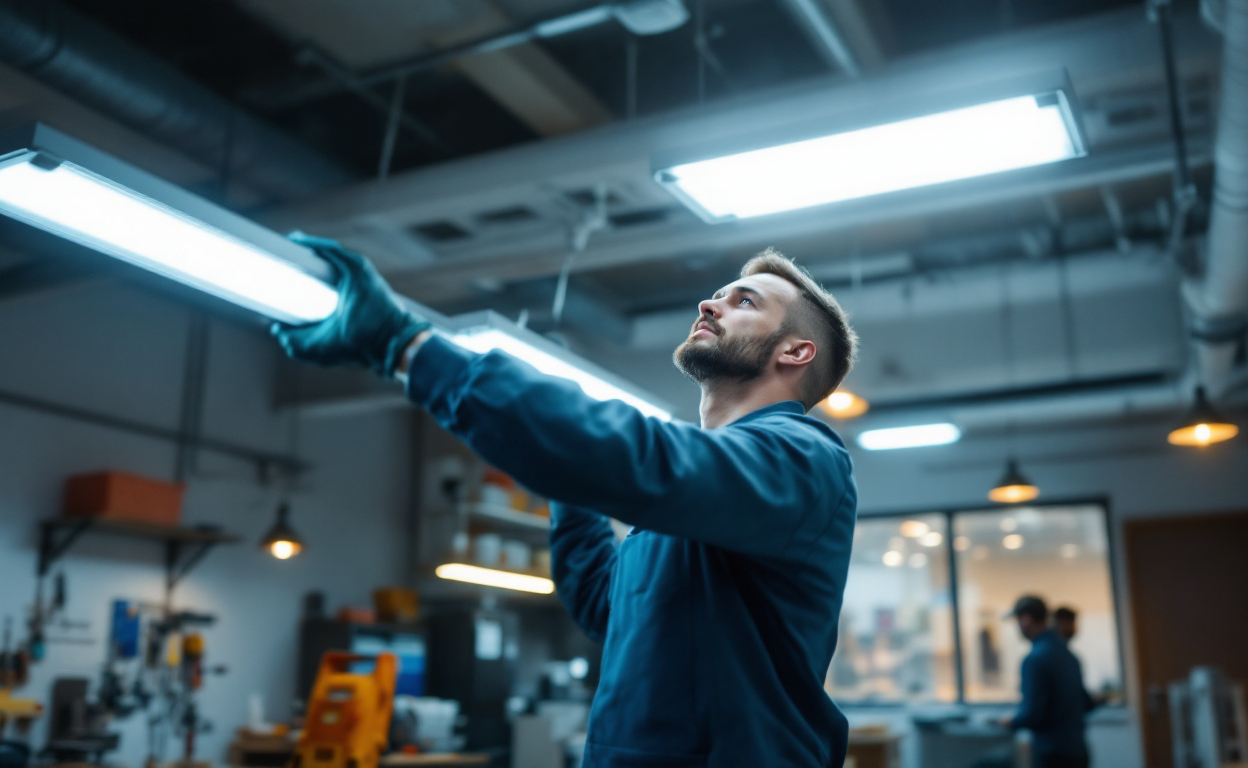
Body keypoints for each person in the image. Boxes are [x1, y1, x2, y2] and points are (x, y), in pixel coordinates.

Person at [271, 235, 861, 768]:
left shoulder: (800, 459)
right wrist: (566, 479)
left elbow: (642, 460)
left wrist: (405, 347)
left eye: (744, 302)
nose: (710, 305)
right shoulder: (701, 491)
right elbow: (607, 608)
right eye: (716, 295)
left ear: (795, 353)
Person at [1001, 595, 1095, 768]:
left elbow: (1032, 713)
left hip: (1052, 753)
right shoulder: (1070, 656)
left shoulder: (1034, 659)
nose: (1018, 627)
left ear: (1027, 619)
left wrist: (1010, 722)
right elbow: (1087, 703)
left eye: (1018, 621)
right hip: (1078, 750)